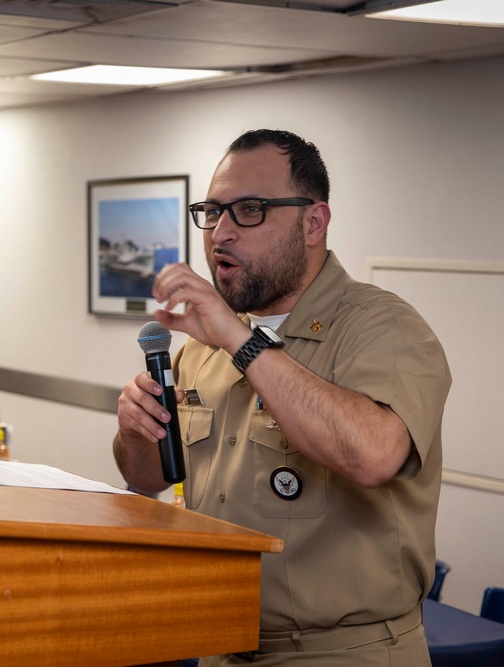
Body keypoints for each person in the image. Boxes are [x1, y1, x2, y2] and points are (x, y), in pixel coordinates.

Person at [113, 129, 451, 666]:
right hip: (220, 643)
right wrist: (136, 429)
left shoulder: (384, 326)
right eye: (213, 211)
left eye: (249, 210)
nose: (220, 233)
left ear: (313, 222)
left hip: (340, 652)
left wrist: (241, 342)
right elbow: (150, 477)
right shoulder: (207, 343)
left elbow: (372, 454)